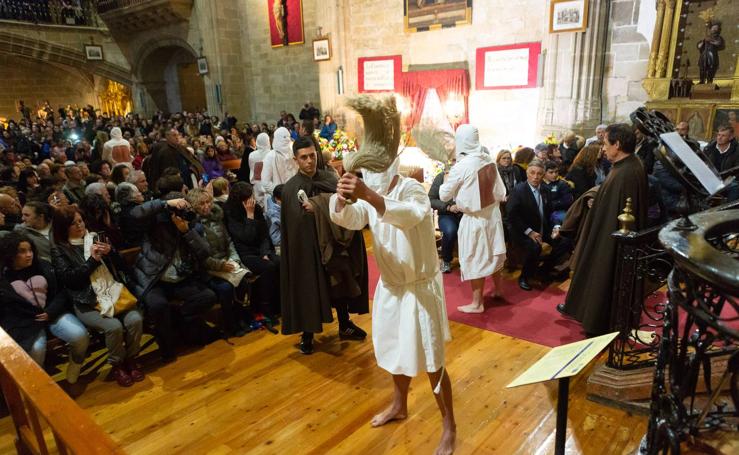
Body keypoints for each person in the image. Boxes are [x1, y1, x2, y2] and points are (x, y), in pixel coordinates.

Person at [330, 160, 456, 455]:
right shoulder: (371, 191)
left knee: (432, 359)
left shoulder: (411, 188)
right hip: (391, 287)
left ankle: (449, 425)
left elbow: (410, 215)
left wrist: (368, 195)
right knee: (397, 347)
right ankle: (399, 405)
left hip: (420, 288)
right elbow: (348, 218)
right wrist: (341, 197)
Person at [280, 136, 368, 354]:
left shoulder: (329, 178)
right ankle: (307, 333)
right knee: (310, 287)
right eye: (303, 158)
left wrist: (317, 207)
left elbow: (345, 203)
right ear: (295, 160)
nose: (309, 161)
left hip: (333, 243)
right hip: (307, 249)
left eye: (312, 155)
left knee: (339, 284)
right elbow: (294, 226)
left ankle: (344, 324)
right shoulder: (290, 189)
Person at [559, 124, 648, 336]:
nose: (603, 149)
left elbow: (619, 210)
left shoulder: (626, 172)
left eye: (606, 144)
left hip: (610, 239)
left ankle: (596, 318)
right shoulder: (627, 165)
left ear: (617, 145)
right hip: (605, 231)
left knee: (602, 274)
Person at [51, 206, 144, 387]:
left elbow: (123, 268)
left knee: (135, 319)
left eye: (80, 221)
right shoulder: (60, 249)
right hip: (87, 301)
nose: (79, 226)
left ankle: (131, 359)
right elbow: (72, 280)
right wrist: (92, 261)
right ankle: (118, 364)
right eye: (73, 224)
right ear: (63, 228)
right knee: (114, 327)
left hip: (115, 294)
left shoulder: (95, 238)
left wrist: (112, 253)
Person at [129, 195, 218, 362]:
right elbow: (134, 214)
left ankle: (178, 320)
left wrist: (186, 231)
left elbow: (205, 252)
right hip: (154, 278)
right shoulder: (155, 223)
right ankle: (167, 351)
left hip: (179, 279)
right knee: (158, 306)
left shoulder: (189, 224)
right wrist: (163, 203)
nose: (181, 214)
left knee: (208, 296)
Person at [0, 232, 89, 384]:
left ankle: (75, 365)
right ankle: (38, 384)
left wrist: (50, 311)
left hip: (52, 313)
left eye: (30, 250)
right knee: (36, 349)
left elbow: (62, 291)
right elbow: (7, 310)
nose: (29, 255)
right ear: (10, 254)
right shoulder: (4, 276)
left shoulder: (44, 266)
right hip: (27, 322)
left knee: (80, 335)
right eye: (22, 251)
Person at [440, 124, 507, 313]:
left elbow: (444, 195)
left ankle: (477, 303)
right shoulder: (488, 159)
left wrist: (447, 174)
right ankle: (499, 289)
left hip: (475, 218)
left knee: (474, 257)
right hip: (492, 215)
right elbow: (501, 192)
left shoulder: (462, 166)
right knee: (494, 252)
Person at [188, 188, 252, 337]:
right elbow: (200, 255)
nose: (206, 206)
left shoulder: (217, 218)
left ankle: (240, 316)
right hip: (208, 269)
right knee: (225, 288)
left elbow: (229, 242)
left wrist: (234, 259)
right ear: (194, 206)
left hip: (225, 262)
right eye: (201, 204)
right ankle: (230, 324)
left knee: (243, 281)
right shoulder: (194, 226)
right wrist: (220, 265)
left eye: (208, 202)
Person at [506, 160, 572, 291]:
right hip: (522, 231)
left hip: (542, 229)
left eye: (539, 174)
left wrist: (556, 227)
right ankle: (524, 277)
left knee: (565, 241)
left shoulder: (545, 190)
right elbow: (512, 217)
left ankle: (543, 270)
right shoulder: (518, 191)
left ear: (543, 175)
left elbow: (550, 211)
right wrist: (530, 232)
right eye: (532, 173)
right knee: (535, 247)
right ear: (527, 173)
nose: (536, 177)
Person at [223, 183, 281, 319]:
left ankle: (280, 303)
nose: (251, 201)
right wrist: (249, 216)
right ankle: (265, 307)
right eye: (247, 199)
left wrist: (265, 252)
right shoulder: (230, 212)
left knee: (280, 262)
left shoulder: (257, 209)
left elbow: (264, 234)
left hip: (260, 250)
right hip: (244, 253)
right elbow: (246, 237)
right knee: (268, 268)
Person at [428, 169, 462, 274]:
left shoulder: (466, 173)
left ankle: (468, 261)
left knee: (471, 231)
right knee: (450, 231)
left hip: (465, 213)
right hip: (446, 214)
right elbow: (431, 200)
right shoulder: (441, 177)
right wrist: (448, 207)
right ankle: (446, 260)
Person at [261, 127, 298, 206]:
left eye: (287, 137)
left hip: (293, 196)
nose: (286, 140)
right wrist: (281, 193)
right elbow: (265, 182)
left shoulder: (292, 154)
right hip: (276, 199)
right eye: (283, 137)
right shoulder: (270, 157)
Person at [542, 161, 574, 226]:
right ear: (544, 173)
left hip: (558, 211)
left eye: (556, 172)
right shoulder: (539, 184)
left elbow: (568, 201)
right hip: (542, 212)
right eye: (551, 172)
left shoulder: (563, 184)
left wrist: (551, 204)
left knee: (559, 216)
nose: (554, 174)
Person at [246, 132, 271, 205]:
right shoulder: (272, 153)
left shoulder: (252, 155)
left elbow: (252, 168)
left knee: (260, 206)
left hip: (257, 183)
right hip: (269, 182)